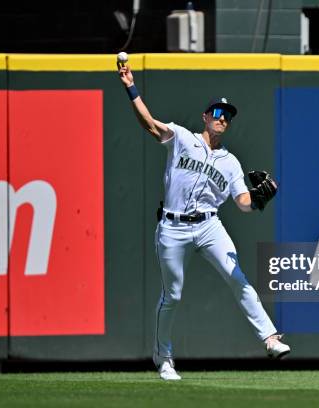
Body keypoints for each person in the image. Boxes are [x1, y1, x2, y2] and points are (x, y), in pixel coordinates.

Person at [118, 61, 290, 381]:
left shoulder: (230, 162)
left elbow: (243, 204)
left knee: (236, 277)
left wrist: (264, 197)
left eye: (227, 116)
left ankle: (270, 338)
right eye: (217, 113)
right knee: (174, 295)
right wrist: (131, 87)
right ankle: (164, 357)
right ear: (205, 117)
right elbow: (150, 124)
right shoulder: (182, 138)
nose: (222, 119)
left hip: (209, 225)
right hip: (173, 225)